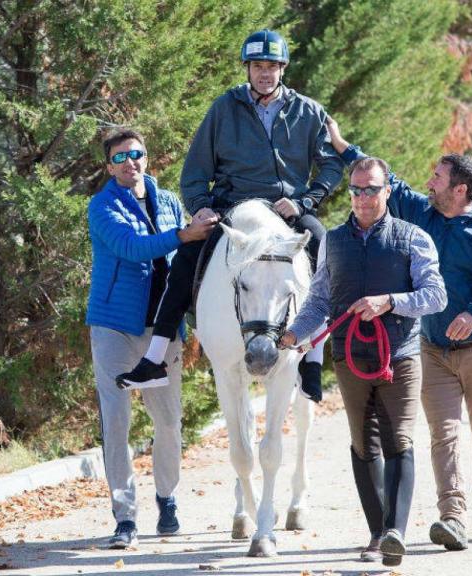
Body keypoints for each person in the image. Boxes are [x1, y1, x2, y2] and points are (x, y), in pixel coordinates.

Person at [326, 118, 472, 550]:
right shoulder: (421, 212)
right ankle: (451, 517)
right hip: (432, 349)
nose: (428, 181)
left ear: (459, 189)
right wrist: (343, 145)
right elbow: (381, 180)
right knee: (444, 434)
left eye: (437, 177)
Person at [116, 29, 345, 401]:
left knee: (325, 248)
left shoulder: (309, 111)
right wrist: (200, 207)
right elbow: (194, 173)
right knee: (187, 258)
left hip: (285, 210)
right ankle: (155, 357)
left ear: (282, 69)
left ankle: (313, 357)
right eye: (258, 66)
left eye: (272, 66)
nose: (265, 73)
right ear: (247, 68)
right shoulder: (224, 108)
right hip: (231, 209)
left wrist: (304, 203)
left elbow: (332, 166)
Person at [279, 157, 446, 566]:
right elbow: (319, 298)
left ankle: (395, 532)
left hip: (400, 358)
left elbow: (436, 295)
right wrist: (295, 334)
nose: (363, 197)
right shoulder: (334, 242)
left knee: (399, 441)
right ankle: (377, 534)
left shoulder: (413, 238)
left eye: (371, 189)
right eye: (356, 190)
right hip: (350, 358)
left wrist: (389, 301)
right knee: (362, 443)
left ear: (387, 190)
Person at [87, 129, 214, 549]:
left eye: (136, 154)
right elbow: (132, 247)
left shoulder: (171, 202)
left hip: (162, 332)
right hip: (114, 328)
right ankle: (124, 518)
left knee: (168, 422)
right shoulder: (102, 206)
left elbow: (185, 264)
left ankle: (167, 499)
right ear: (109, 165)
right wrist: (183, 235)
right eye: (120, 157)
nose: (130, 162)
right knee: (117, 424)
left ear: (146, 157)